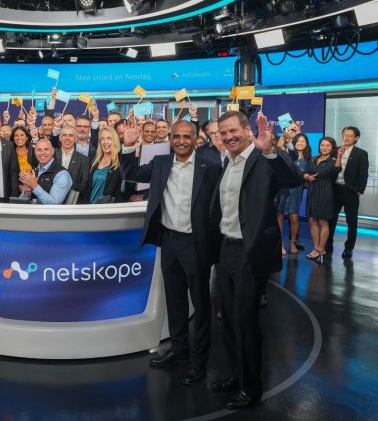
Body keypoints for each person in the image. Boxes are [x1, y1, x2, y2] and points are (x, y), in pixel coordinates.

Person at [208, 111, 302, 410]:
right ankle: (235, 375)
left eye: (233, 130)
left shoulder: (264, 158)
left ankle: (251, 387)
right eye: (223, 132)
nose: (228, 137)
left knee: (246, 321)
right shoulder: (228, 161)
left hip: (250, 251)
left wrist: (271, 151)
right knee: (228, 318)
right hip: (225, 249)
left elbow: (293, 180)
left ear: (247, 130)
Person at [120, 120, 221, 385]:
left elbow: (218, 207)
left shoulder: (210, 167)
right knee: (174, 301)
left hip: (196, 245)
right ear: (171, 139)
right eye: (176, 136)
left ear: (195, 139)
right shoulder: (161, 163)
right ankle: (179, 350)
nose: (181, 141)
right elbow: (131, 174)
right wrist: (128, 146)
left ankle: (199, 361)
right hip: (169, 242)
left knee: (201, 305)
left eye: (187, 136)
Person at [328, 126, 369, 258]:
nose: (346, 137)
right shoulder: (334, 151)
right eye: (344, 135)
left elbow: (363, 174)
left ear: (356, 138)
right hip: (334, 189)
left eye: (350, 135)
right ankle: (328, 243)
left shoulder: (361, 153)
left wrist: (359, 191)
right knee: (331, 219)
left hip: (350, 191)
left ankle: (349, 247)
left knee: (351, 221)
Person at [304, 137, 342, 263]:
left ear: (332, 147)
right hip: (312, 192)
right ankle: (316, 248)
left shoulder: (333, 160)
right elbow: (305, 172)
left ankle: (321, 248)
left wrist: (339, 156)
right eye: (322, 145)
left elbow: (337, 169)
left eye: (327, 145)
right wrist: (307, 176)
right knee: (312, 220)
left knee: (323, 222)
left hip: (325, 193)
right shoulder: (313, 159)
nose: (324, 147)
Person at [276, 133, 311, 255]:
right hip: (283, 188)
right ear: (293, 143)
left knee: (294, 217)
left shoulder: (309, 159)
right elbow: (279, 148)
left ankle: (292, 243)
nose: (300, 143)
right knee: (279, 216)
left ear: (306, 144)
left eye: (303, 141)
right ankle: (280, 244)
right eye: (298, 141)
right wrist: (285, 138)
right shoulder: (288, 153)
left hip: (296, 189)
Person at [19, 138, 73, 204]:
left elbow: (54, 203)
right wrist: (26, 192)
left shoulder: (62, 174)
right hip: (31, 210)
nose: (42, 153)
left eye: (46, 149)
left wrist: (34, 186)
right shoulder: (33, 172)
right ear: (35, 152)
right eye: (39, 150)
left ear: (52, 151)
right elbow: (20, 203)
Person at [87, 127, 123, 204]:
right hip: (91, 207)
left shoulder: (120, 162)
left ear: (115, 140)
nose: (105, 142)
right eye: (102, 139)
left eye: (109, 138)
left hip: (109, 208)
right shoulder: (95, 161)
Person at [54, 125, 89, 202]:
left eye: (71, 135)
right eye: (64, 135)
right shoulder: (52, 155)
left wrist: (66, 185)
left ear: (76, 139)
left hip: (73, 203)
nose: (67, 138)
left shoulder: (84, 160)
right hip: (52, 202)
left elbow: (84, 185)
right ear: (60, 138)